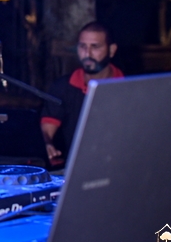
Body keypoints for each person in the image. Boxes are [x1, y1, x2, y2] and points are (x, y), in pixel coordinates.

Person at [40, 21, 124, 165]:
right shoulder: (62, 87)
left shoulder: (128, 87)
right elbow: (47, 130)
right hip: (75, 167)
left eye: (95, 47)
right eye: (83, 46)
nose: (87, 53)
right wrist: (47, 145)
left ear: (112, 50)